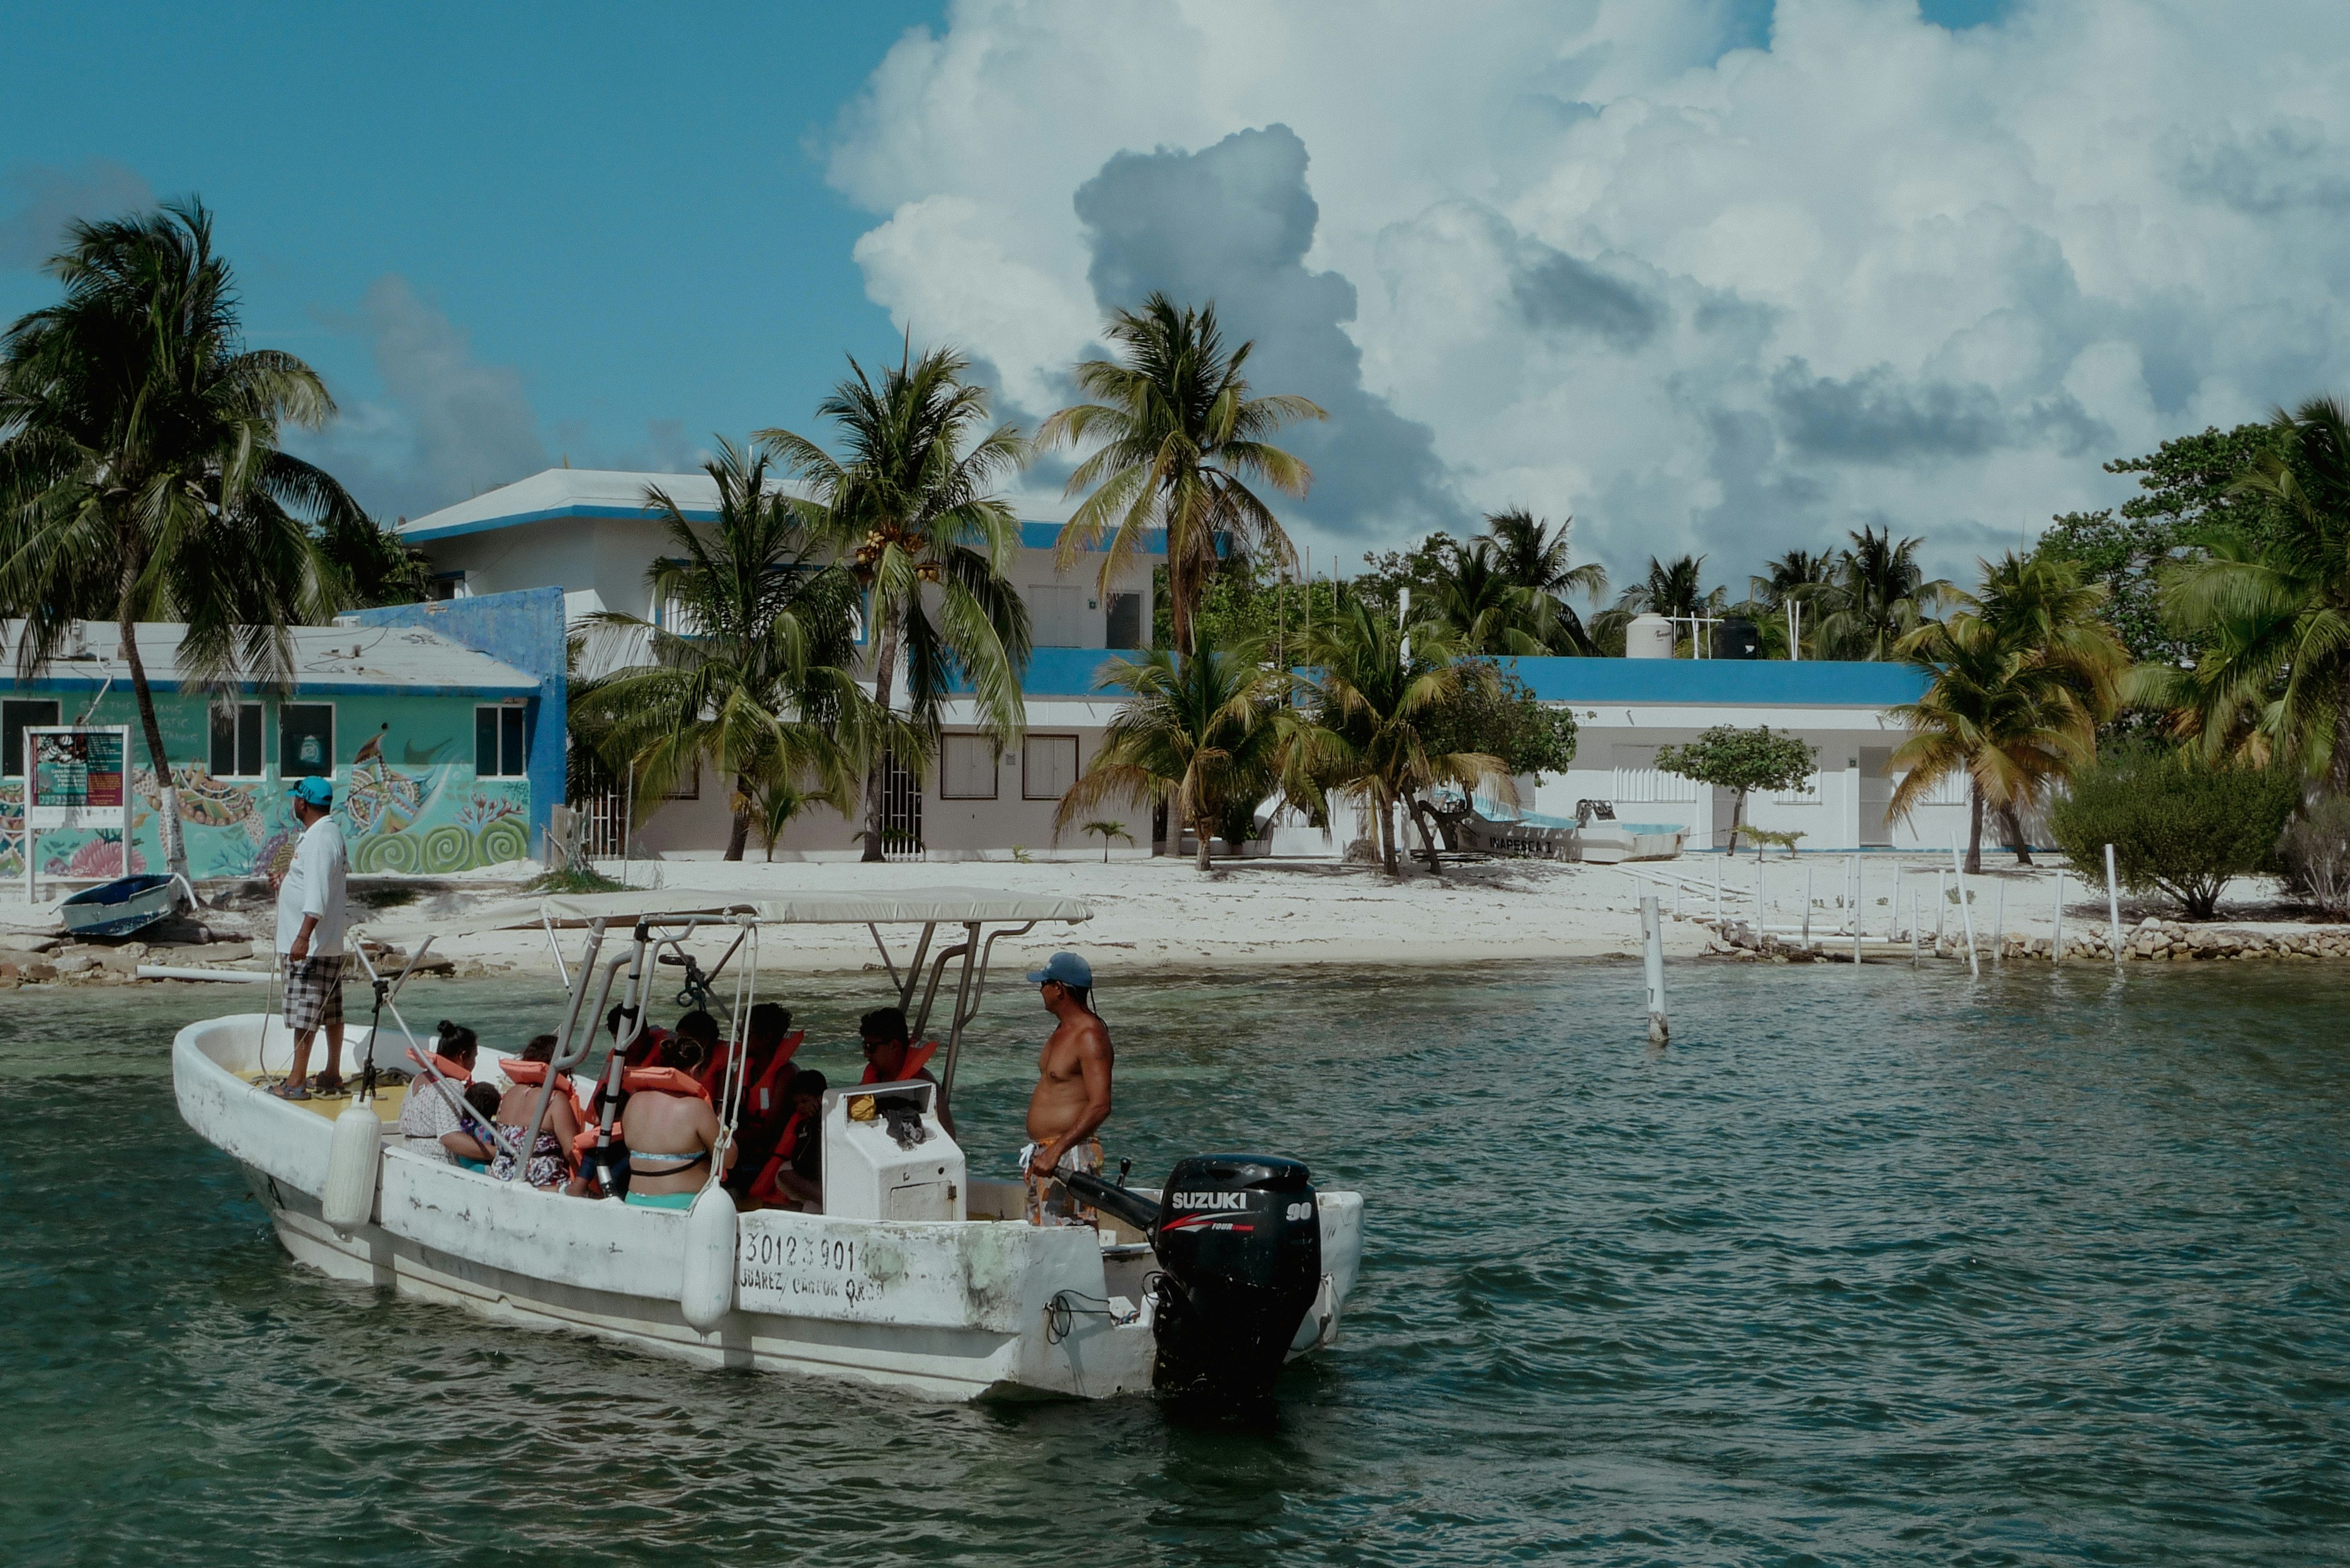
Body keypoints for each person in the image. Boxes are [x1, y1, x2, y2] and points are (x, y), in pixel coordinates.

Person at [269, 775, 350, 1099]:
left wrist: (302, 938)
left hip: (312, 947)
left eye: (295, 798)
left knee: (305, 1015)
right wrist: (287, 883)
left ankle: (296, 1081)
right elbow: (314, 883)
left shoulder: (319, 839)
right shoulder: (327, 834)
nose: (294, 803)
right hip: (326, 943)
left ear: (302, 803)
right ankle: (331, 1074)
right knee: (331, 1013)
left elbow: (317, 896)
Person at [1022, 952, 1113, 1226]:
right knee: (1041, 1240)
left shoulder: (1089, 1035)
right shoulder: (1062, 1031)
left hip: (1070, 1154)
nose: (1041, 990)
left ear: (1059, 988)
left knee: (1067, 1241)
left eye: (1044, 984)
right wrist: (1043, 1152)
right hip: (1048, 1154)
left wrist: (1056, 1151)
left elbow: (1100, 1105)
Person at [621, 1033, 733, 1210]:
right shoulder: (696, 1108)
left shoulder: (634, 1101)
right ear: (695, 1070)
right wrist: (722, 1126)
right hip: (684, 1205)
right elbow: (728, 1159)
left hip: (634, 1200)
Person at [721, 1004, 801, 1200]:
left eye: (747, 1035)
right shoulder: (746, 1069)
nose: (741, 1040)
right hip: (742, 1148)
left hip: (764, 1157)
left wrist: (723, 1137)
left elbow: (769, 1132)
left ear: (767, 1037)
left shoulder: (786, 1074)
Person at [493, 1033, 583, 1190]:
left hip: (502, 1173)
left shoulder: (510, 1093)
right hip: (540, 1181)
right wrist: (585, 1182)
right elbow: (571, 1151)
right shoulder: (555, 1099)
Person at [397, 1023, 493, 1166]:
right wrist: (498, 1153)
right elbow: (450, 1138)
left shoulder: (419, 1079)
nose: (474, 1062)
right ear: (463, 1056)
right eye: (474, 1057)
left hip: (409, 1154)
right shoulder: (452, 1086)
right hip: (435, 1162)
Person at [857, 1006, 954, 1137]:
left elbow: (948, 1136)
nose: (866, 1054)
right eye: (864, 1046)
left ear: (893, 1046)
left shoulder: (924, 1085)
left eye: (870, 1047)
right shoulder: (874, 1079)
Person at [747, 1070, 828, 1211]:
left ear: (821, 1098)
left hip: (824, 1176)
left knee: (786, 1174)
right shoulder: (803, 1124)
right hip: (813, 1178)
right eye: (797, 1103)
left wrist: (818, 1118)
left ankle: (828, 1199)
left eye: (805, 1101)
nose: (800, 1107)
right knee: (784, 1174)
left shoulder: (829, 1118)